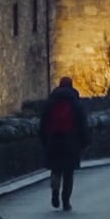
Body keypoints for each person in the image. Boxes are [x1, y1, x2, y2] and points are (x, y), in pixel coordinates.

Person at [38, 76, 90, 211]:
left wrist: (44, 140)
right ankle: (66, 201)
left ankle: (55, 191)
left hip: (54, 140)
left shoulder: (50, 103)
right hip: (71, 142)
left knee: (55, 170)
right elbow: (82, 125)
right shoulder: (76, 104)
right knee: (68, 173)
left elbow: (43, 123)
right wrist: (84, 142)